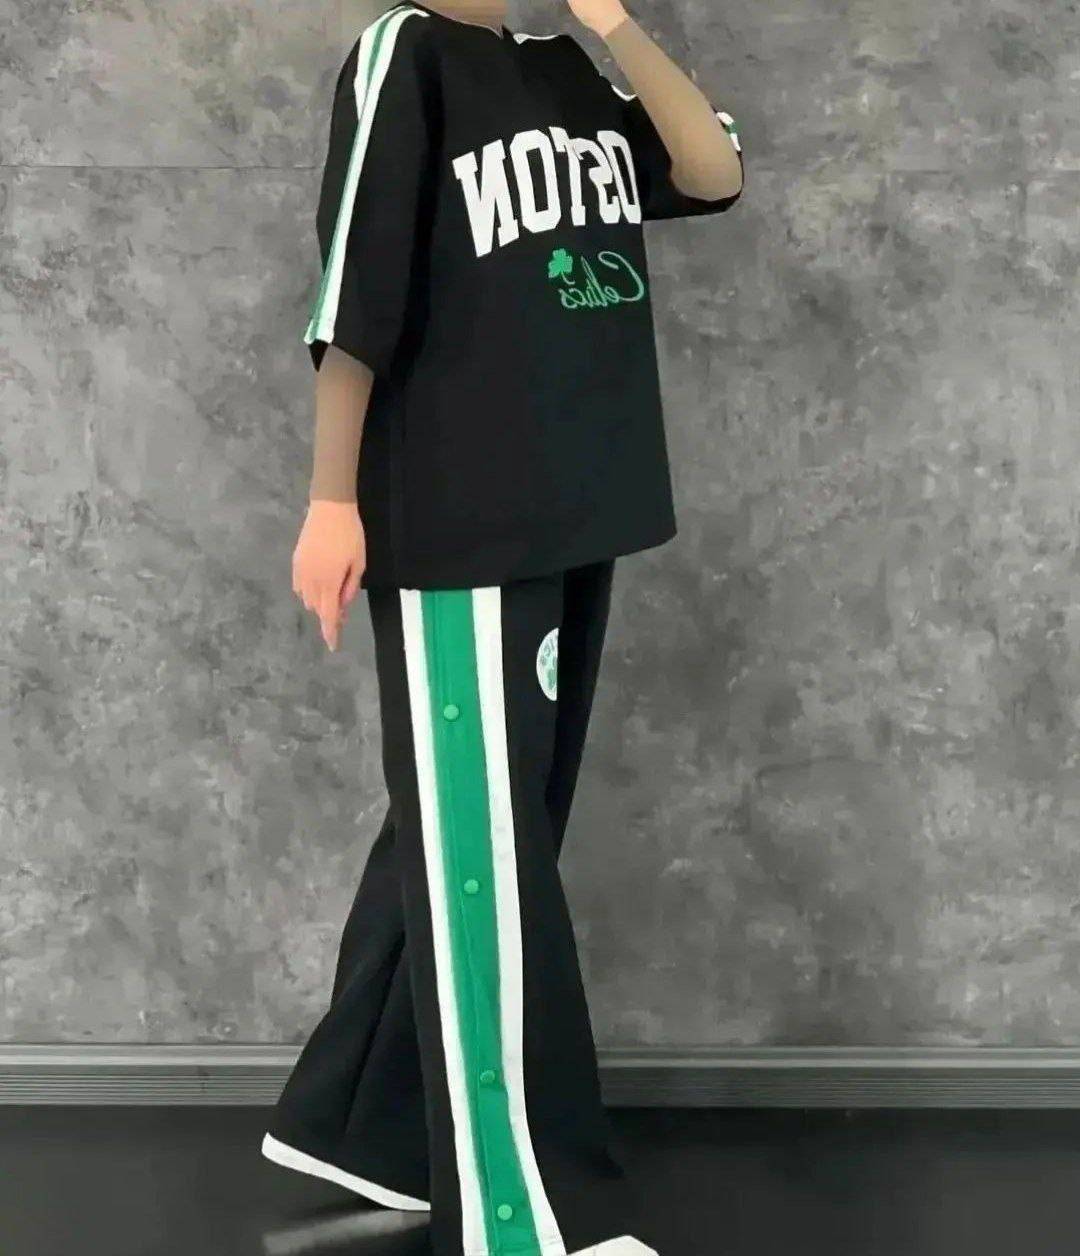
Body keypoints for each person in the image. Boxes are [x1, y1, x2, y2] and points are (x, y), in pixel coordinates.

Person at [262, 2, 744, 1253]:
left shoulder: (565, 72)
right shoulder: (408, 53)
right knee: (488, 862)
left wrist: (614, 22)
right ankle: (527, 1211)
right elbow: (355, 289)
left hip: (575, 508)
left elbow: (710, 170)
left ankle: (362, 1127)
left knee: (473, 821)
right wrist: (330, 499)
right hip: (457, 518)